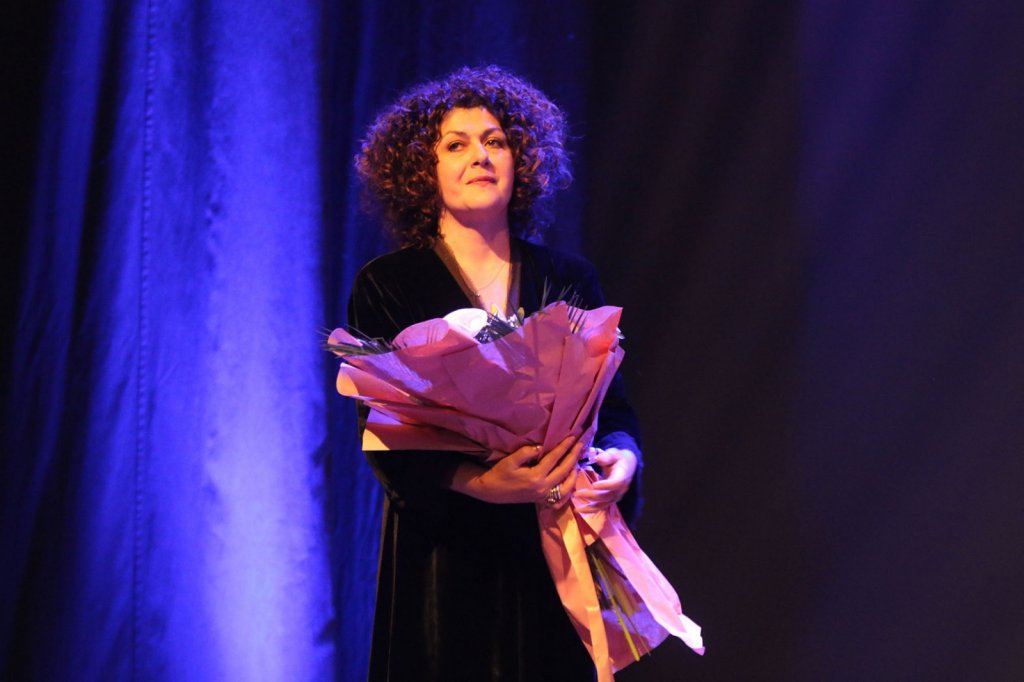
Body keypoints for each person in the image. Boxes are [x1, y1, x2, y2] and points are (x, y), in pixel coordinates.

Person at [348, 65, 643, 682]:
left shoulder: (568, 277)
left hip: (555, 545)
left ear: (522, 162)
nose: (480, 156)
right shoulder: (389, 284)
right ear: (422, 171)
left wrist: (623, 458)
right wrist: (485, 484)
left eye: (496, 141)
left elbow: (612, 411)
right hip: (447, 559)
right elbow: (383, 436)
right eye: (455, 145)